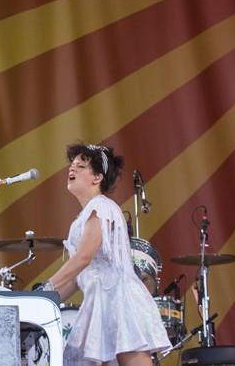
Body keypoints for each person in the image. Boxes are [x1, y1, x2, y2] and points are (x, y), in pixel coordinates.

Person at [40, 143, 170, 366]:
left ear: (97, 177)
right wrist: (42, 303)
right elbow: (76, 278)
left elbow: (83, 257)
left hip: (121, 300)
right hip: (99, 303)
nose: (72, 170)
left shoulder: (102, 206)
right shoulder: (80, 221)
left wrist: (47, 286)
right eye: (71, 166)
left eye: (81, 166)